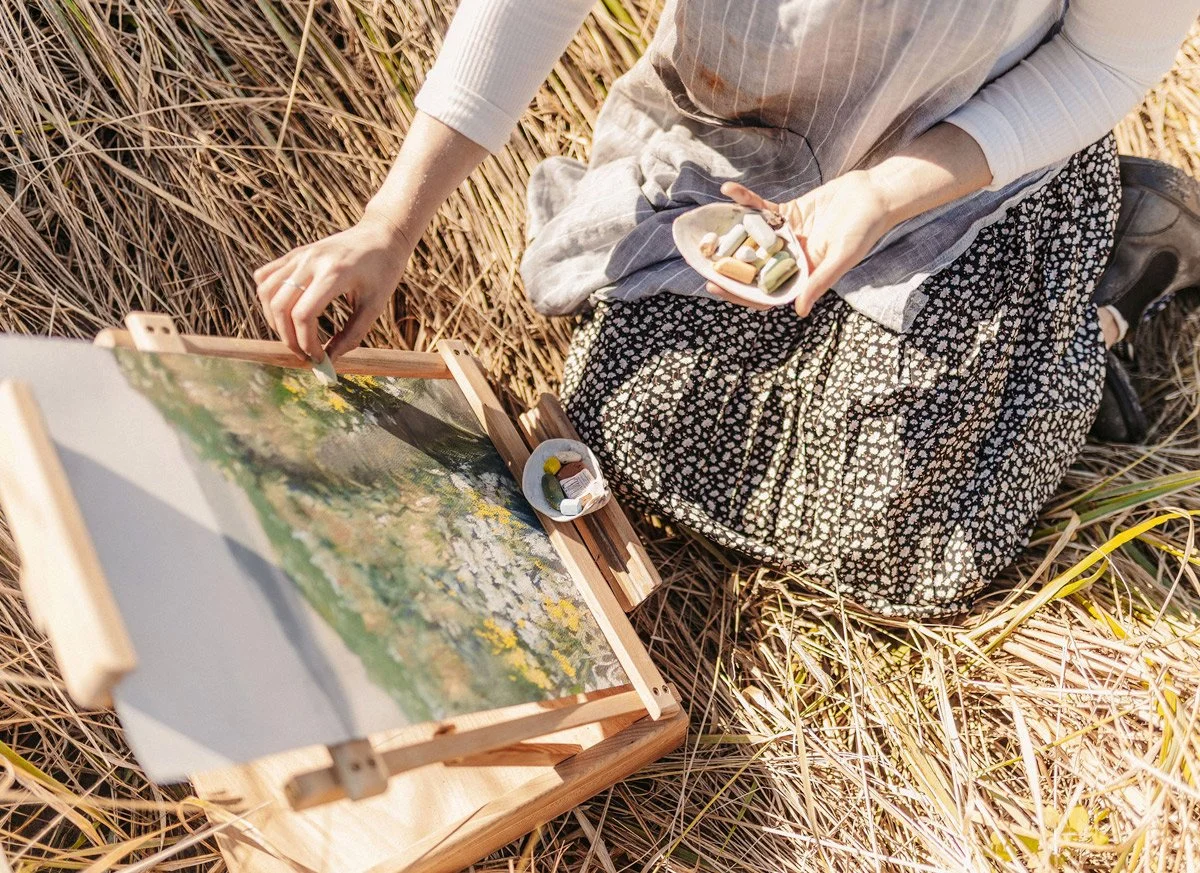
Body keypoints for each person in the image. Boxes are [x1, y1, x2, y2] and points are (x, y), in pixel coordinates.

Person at [254, 0, 1200, 617]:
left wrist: (880, 197)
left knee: (907, 551)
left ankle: (1107, 283)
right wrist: (391, 223)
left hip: (969, 171)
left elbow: (1100, 65)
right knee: (621, 439)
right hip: (745, 150)